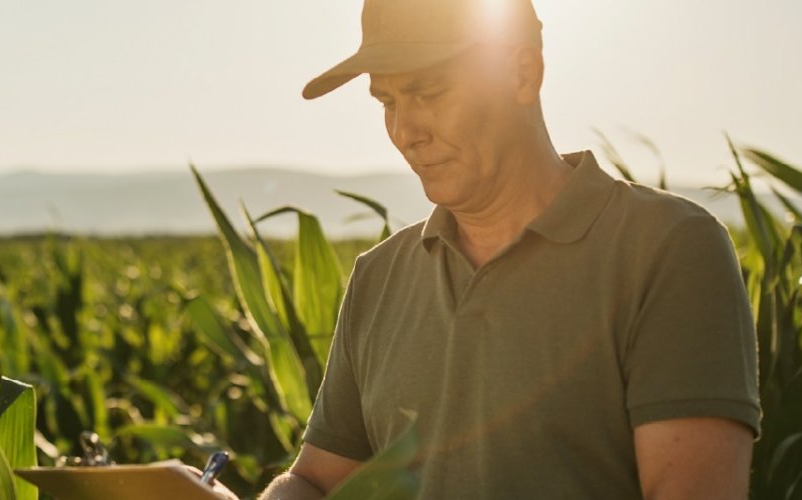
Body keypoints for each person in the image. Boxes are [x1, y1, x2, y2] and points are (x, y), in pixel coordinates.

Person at [212, 0, 761, 497]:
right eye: (387, 101)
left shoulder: (668, 248)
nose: (405, 131)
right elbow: (316, 482)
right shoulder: (378, 276)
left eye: (428, 93)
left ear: (522, 74)